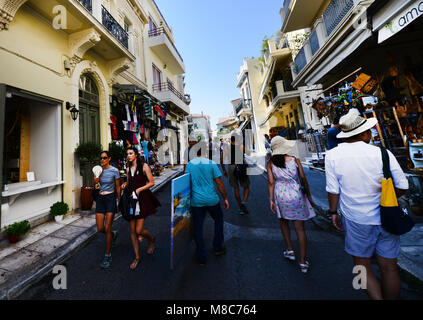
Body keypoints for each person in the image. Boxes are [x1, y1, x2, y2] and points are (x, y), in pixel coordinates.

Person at [325, 109, 409, 300]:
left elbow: (333, 190)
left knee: (361, 266)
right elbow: (402, 186)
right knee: (389, 267)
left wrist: (333, 212)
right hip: (387, 216)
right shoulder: (382, 153)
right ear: (363, 134)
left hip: (355, 218)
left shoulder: (332, 156)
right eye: (368, 131)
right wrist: (386, 197)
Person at [267, 136, 316, 273]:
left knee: (283, 222)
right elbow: (303, 178)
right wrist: (309, 196)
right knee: (300, 229)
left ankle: (290, 250)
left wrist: (271, 199)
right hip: (296, 194)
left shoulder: (271, 163)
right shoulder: (295, 160)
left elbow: (271, 182)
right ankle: (302, 262)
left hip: (280, 195)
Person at [185, 141, 230, 265]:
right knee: (218, 220)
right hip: (212, 200)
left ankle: (201, 256)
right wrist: (225, 198)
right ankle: (217, 247)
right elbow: (219, 183)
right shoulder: (211, 164)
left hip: (196, 201)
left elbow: (186, 184)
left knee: (198, 227)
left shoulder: (189, 165)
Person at [121, 147, 161, 270]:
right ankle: (137, 257)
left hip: (142, 200)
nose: (128, 156)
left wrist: (138, 190)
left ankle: (152, 239)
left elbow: (151, 182)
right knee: (132, 231)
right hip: (131, 200)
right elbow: (129, 182)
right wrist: (125, 185)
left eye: (131, 153)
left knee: (139, 230)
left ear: (136, 154)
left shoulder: (144, 166)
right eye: (127, 154)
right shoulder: (128, 168)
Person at [94, 151, 121, 269]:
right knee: (100, 229)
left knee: (107, 227)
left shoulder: (114, 171)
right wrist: (95, 181)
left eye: (104, 158)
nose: (102, 160)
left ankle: (107, 255)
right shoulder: (97, 170)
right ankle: (113, 234)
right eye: (101, 158)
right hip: (100, 199)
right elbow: (96, 186)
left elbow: (118, 187)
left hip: (110, 198)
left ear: (109, 159)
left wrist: (119, 201)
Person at [221, 135, 250, 215]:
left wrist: (224, 170)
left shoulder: (226, 149)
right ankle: (243, 203)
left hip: (231, 167)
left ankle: (240, 206)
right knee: (246, 186)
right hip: (241, 166)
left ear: (231, 141)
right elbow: (248, 153)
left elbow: (222, 160)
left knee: (235, 188)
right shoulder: (241, 146)